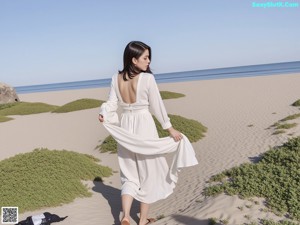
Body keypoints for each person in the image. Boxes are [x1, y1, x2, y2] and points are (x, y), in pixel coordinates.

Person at [98, 41, 185, 225]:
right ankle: (143, 220)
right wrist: (169, 128)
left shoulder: (116, 78)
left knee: (129, 175)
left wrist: (104, 114)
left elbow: (111, 104)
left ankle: (126, 216)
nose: (149, 61)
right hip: (144, 126)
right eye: (145, 57)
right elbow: (157, 106)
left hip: (126, 128)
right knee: (148, 174)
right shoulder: (147, 79)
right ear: (134, 59)